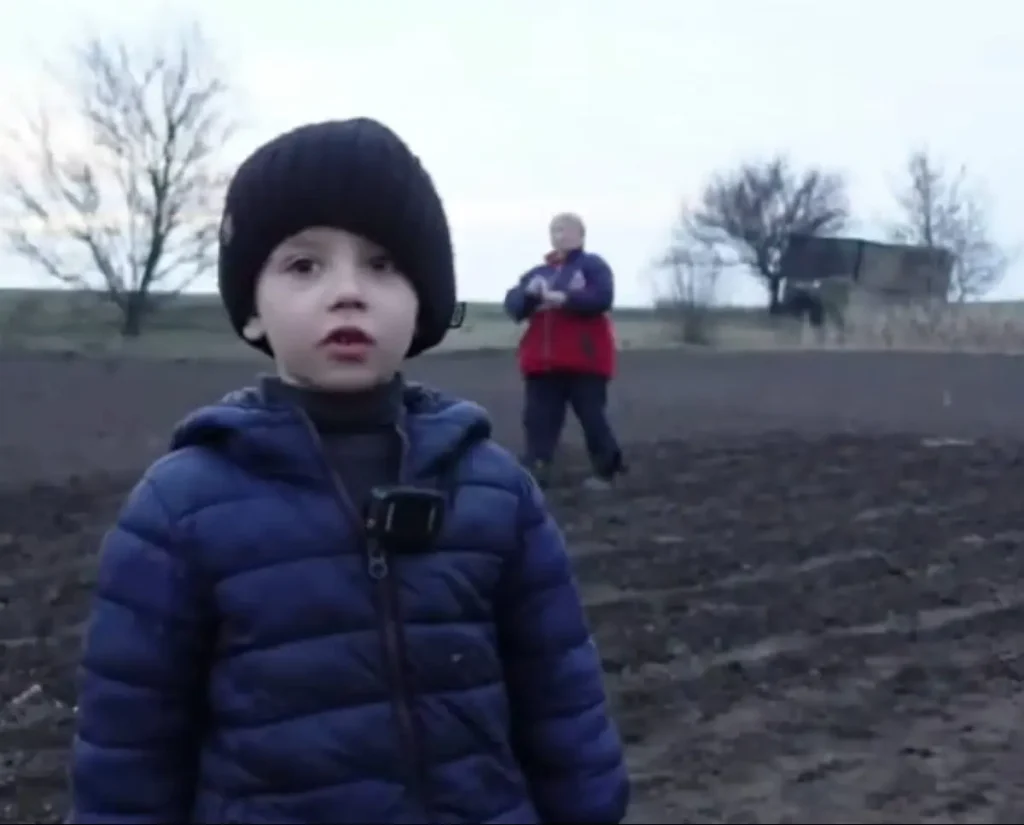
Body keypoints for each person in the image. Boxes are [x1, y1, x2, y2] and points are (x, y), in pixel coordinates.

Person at [68, 119, 629, 824]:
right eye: (304, 265)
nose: (348, 292)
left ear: (422, 301)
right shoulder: (180, 508)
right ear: (250, 311)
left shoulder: (494, 489)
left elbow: (562, 700)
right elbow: (130, 753)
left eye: (383, 264)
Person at [503, 213, 625, 489]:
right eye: (555, 230)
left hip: (585, 359)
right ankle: (536, 469)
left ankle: (607, 469)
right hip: (543, 363)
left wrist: (566, 299)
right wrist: (529, 296)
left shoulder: (592, 266)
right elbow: (513, 306)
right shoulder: (538, 273)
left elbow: (602, 298)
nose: (559, 235)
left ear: (581, 235)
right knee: (538, 420)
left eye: (566, 230)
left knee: (592, 417)